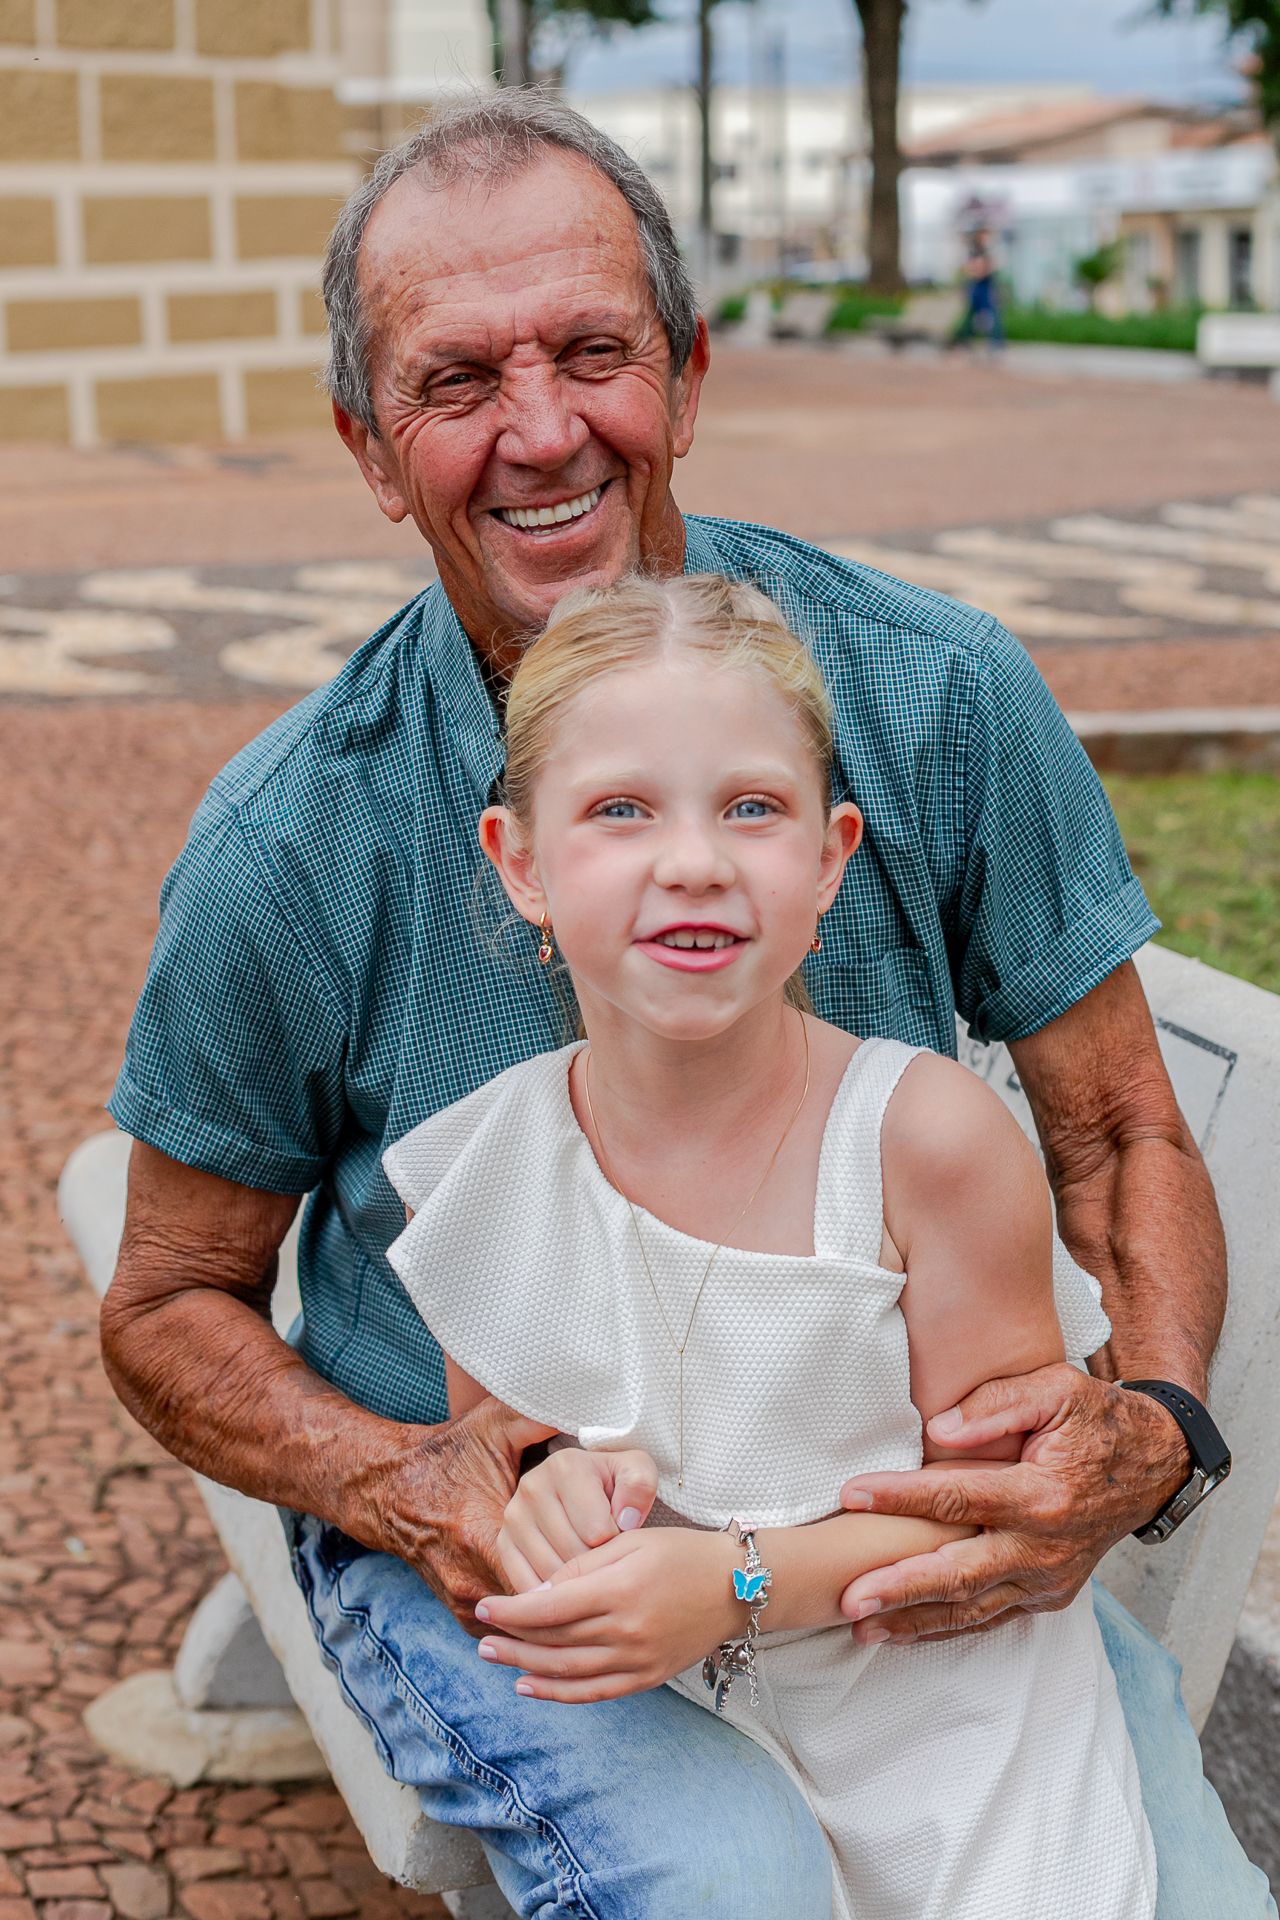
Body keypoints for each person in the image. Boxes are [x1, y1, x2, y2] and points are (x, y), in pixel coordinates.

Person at [98, 90, 1271, 1918]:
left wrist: (1155, 1424)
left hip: (869, 1542)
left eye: (593, 353)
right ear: (367, 445)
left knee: (1174, 1892)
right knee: (730, 1879)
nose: (541, 431)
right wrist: (423, 1485)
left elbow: (1122, 1123)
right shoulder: (295, 838)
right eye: (457, 381)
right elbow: (170, 1295)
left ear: (691, 374)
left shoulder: (938, 696)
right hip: (490, 1550)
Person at [383, 571, 1158, 1918]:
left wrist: (731, 1581)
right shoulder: (490, 1167)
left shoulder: (925, 1142)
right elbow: (512, 1452)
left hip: (949, 1737)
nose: (693, 859)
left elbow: (995, 1529)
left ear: (828, 858)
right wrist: (561, 1495)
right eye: (620, 811)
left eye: (752, 807)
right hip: (695, 1722)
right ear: (521, 863)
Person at [952, 226, 1005, 350]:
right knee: (971, 314)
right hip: (976, 286)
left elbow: (992, 267)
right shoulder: (974, 251)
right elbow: (970, 269)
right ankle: (965, 341)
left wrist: (982, 269)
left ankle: (996, 343)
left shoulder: (989, 251)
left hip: (987, 286)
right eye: (984, 235)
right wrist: (978, 270)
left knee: (993, 314)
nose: (986, 238)